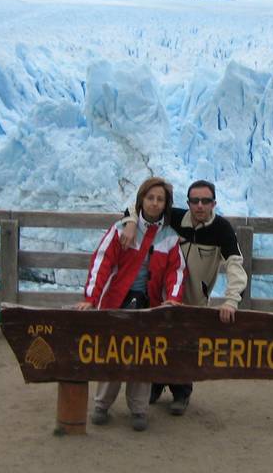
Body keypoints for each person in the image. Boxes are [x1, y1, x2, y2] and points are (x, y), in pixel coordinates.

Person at [120, 179, 248, 416]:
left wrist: (231, 300)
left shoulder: (222, 230)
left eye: (205, 201)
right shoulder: (176, 218)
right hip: (163, 296)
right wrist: (129, 223)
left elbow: (236, 266)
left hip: (193, 300)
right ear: (188, 202)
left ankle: (181, 393)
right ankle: (155, 386)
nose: (199, 205)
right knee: (157, 343)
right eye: (194, 201)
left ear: (214, 203)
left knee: (185, 348)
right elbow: (136, 206)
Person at [74, 176, 187, 432]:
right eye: (150, 198)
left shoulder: (169, 237)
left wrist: (173, 298)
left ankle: (139, 409)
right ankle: (102, 405)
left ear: (166, 204)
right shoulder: (121, 229)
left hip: (149, 304)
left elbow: (176, 271)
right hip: (119, 301)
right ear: (141, 200)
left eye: (160, 199)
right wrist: (91, 299)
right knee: (114, 352)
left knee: (144, 354)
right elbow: (101, 262)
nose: (155, 203)